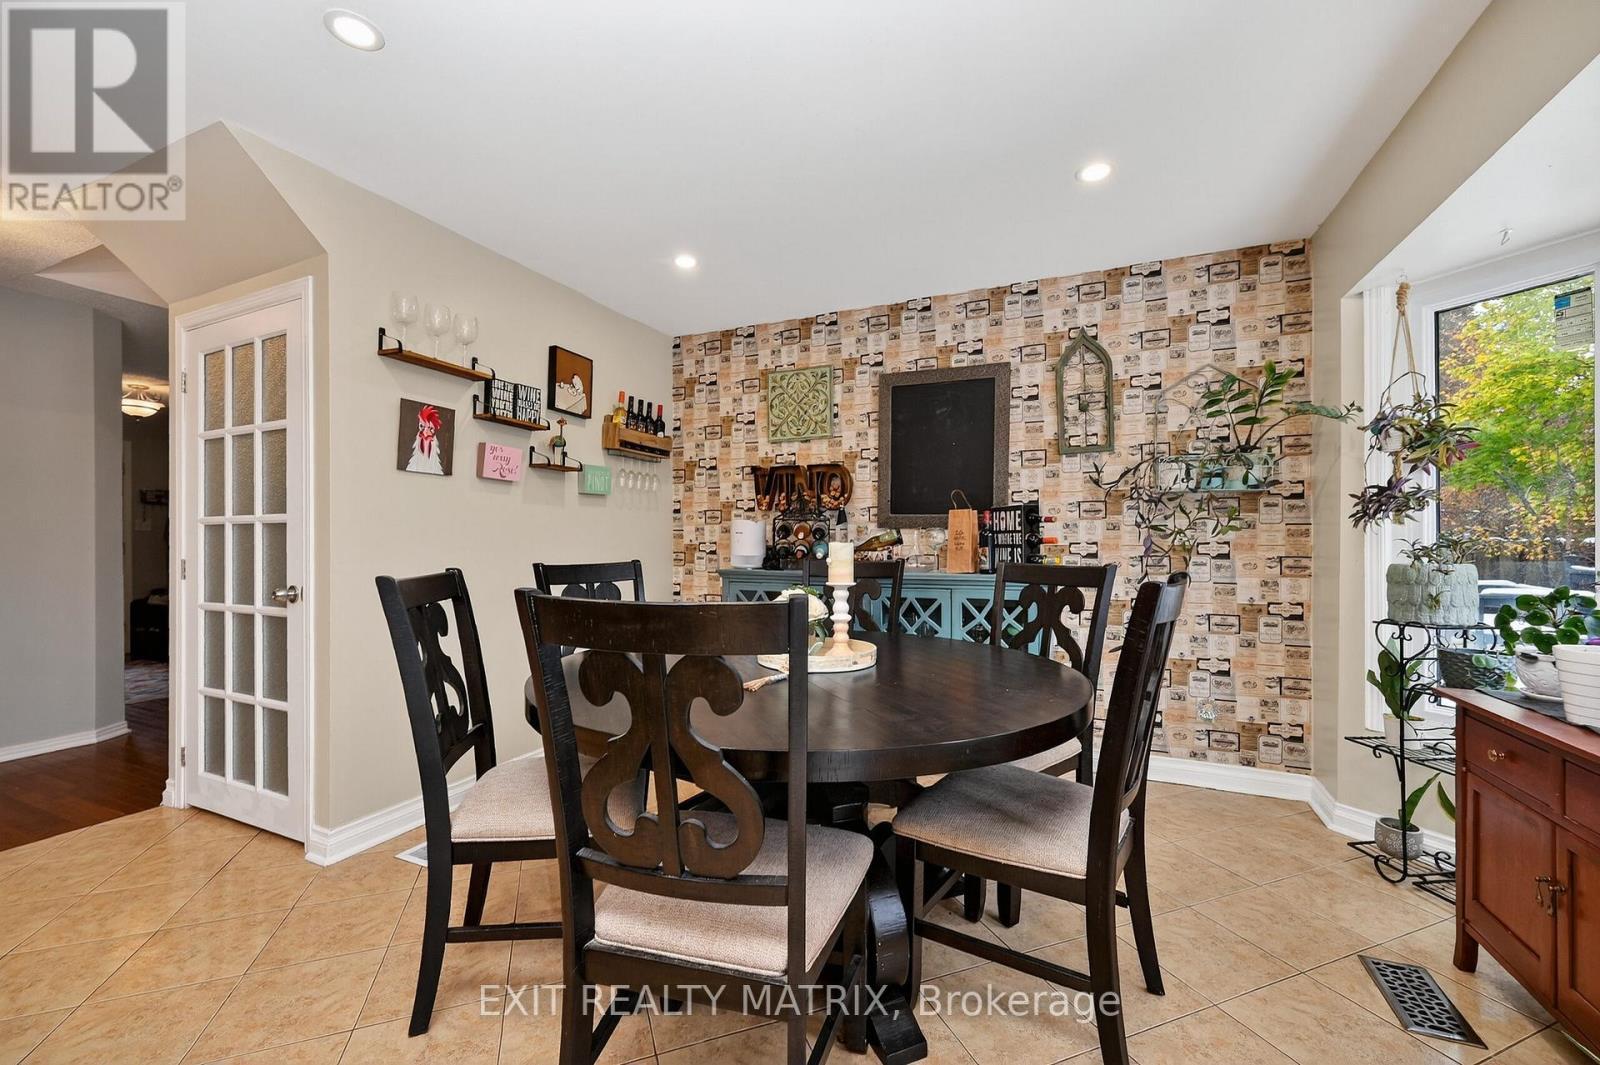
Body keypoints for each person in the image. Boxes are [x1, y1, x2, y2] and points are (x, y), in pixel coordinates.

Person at [406, 404, 445, 475]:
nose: (425, 432)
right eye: (422, 426)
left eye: (431, 429)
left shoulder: (437, 471)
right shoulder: (411, 467)